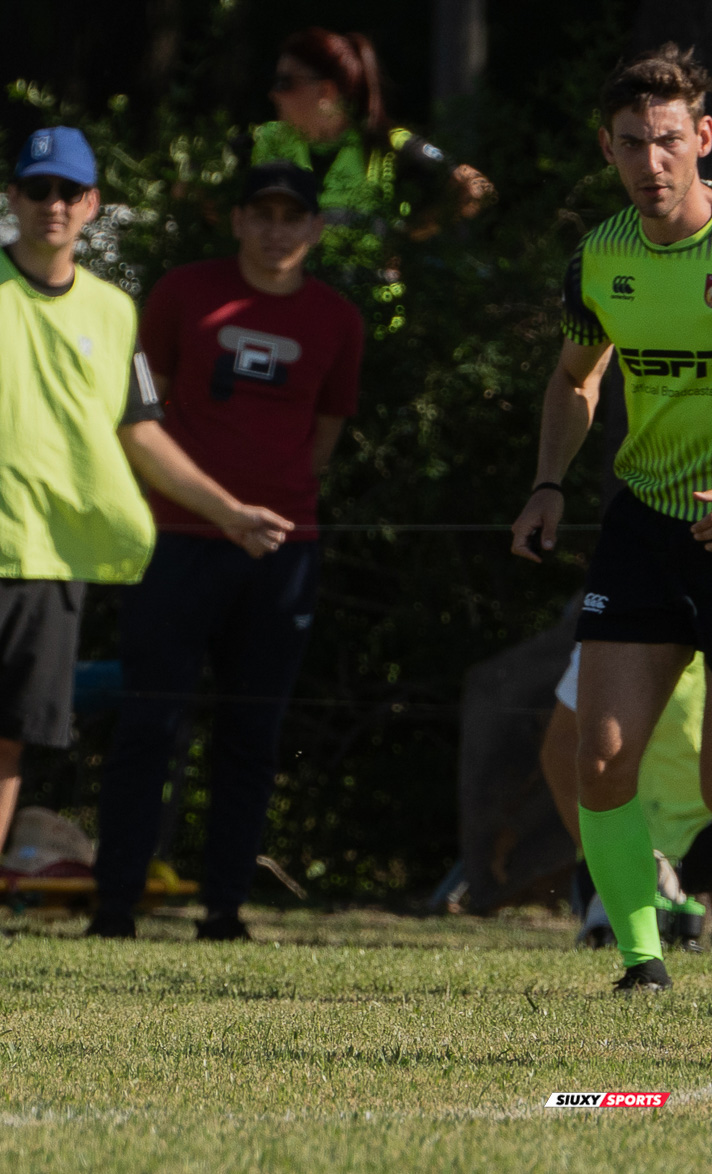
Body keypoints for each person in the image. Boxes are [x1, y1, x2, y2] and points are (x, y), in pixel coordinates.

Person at [0, 127, 293, 936]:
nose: (54, 205)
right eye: (38, 189)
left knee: (8, 733)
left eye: (69, 192)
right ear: (13, 198)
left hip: (58, 554)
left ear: (92, 205)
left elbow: (140, 433)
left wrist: (228, 510)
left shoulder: (114, 310)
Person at [90, 163, 364, 942]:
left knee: (253, 733)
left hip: (283, 549)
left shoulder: (339, 319)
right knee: (150, 723)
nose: (277, 231)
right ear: (238, 220)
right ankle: (115, 906)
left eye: (292, 217)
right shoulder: (183, 293)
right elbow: (140, 411)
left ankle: (224, 909)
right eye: (262, 214)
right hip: (178, 538)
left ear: (315, 228)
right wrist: (213, 502)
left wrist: (271, 505)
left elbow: (325, 436)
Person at [510, 44, 712, 994]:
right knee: (599, 759)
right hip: (649, 524)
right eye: (632, 143)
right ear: (607, 148)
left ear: (704, 137)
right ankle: (641, 964)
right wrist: (547, 483)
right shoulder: (600, 257)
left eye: (668, 139)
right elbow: (574, 378)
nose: (651, 161)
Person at [249, 27, 493, 271]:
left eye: (285, 83)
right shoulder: (267, 142)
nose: (273, 94)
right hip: (294, 292)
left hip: (367, 295)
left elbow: (475, 187)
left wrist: (408, 236)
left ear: (325, 91)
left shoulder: (388, 146)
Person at [541, 644, 710, 948]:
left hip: (702, 847)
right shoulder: (613, 640)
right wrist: (616, 861)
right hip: (621, 849)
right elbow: (560, 752)